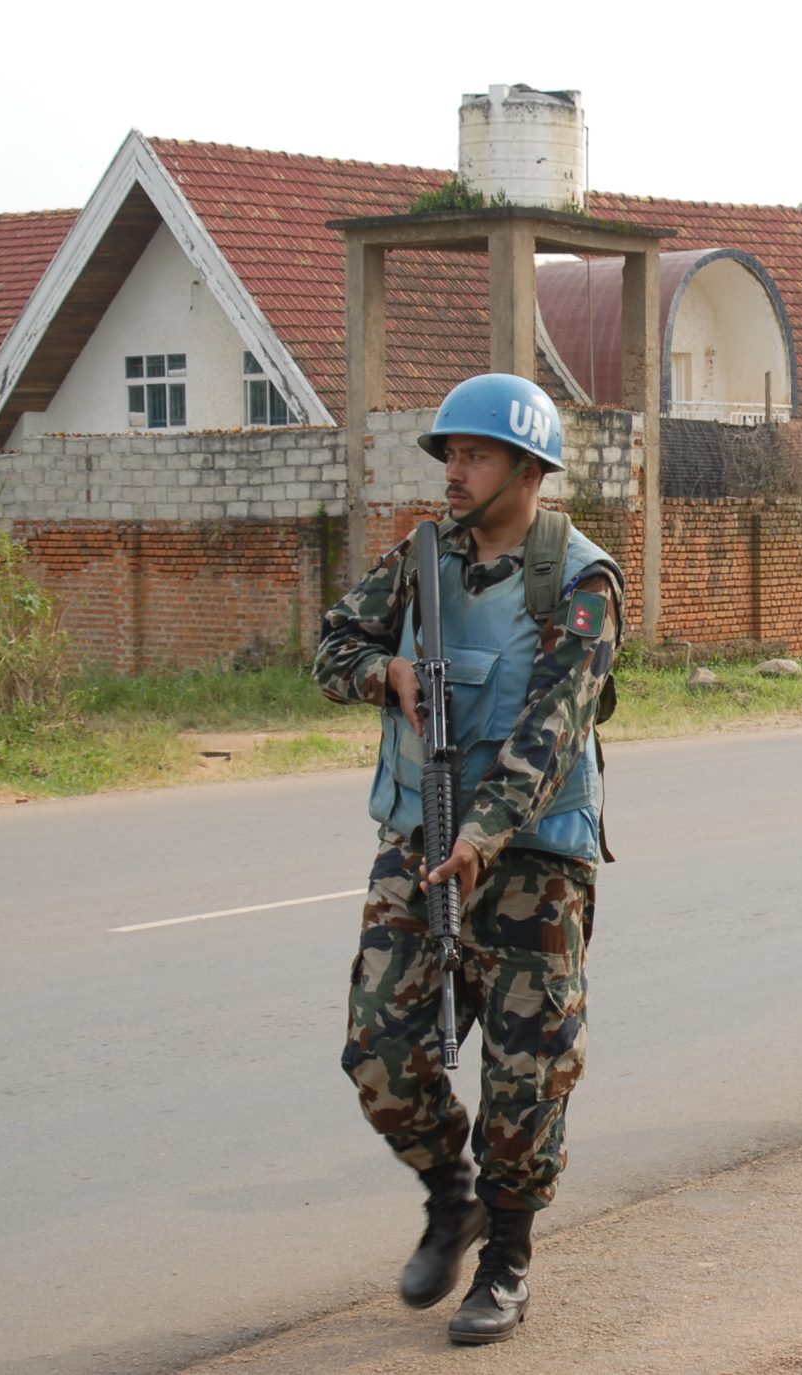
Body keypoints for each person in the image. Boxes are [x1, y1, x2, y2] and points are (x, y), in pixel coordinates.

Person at [313, 373, 623, 1346]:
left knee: (527, 1072)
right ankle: (452, 1194)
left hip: (529, 863)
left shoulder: (581, 580)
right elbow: (330, 647)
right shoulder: (418, 559)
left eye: (475, 453)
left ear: (529, 467)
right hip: (416, 842)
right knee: (378, 1055)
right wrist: (386, 670)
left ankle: (507, 1254)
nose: (454, 469)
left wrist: (481, 836)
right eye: (448, 452)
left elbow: (552, 730)